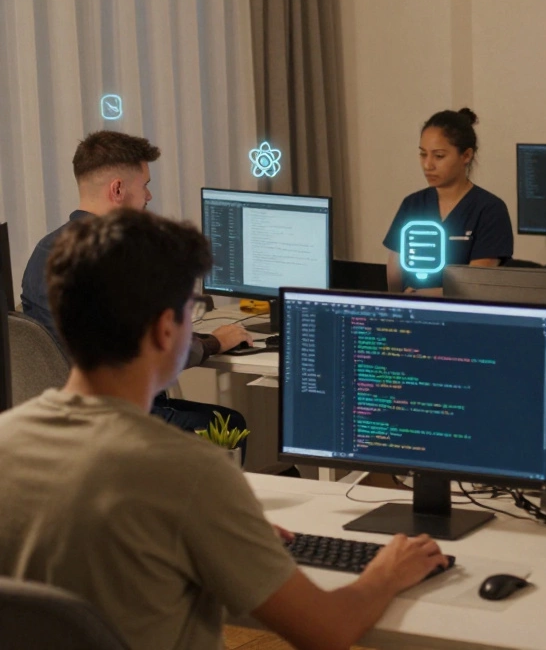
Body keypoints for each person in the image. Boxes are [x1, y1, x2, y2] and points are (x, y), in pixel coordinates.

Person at [0, 209, 450, 650]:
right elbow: (327, 630)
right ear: (164, 330)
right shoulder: (186, 471)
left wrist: (224, 531)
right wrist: (388, 571)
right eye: (189, 307)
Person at [19, 130, 251, 435]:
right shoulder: (121, 260)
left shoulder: (44, 250)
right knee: (229, 425)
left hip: (62, 419)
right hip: (118, 421)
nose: (148, 197)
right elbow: (157, 353)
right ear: (117, 189)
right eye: (145, 186)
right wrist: (217, 342)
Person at [384, 108, 513, 294]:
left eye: (439, 156)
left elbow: (476, 285)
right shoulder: (412, 204)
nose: (428, 165)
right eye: (423, 154)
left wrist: (422, 295)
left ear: (466, 156)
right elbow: (394, 278)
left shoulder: (490, 210)